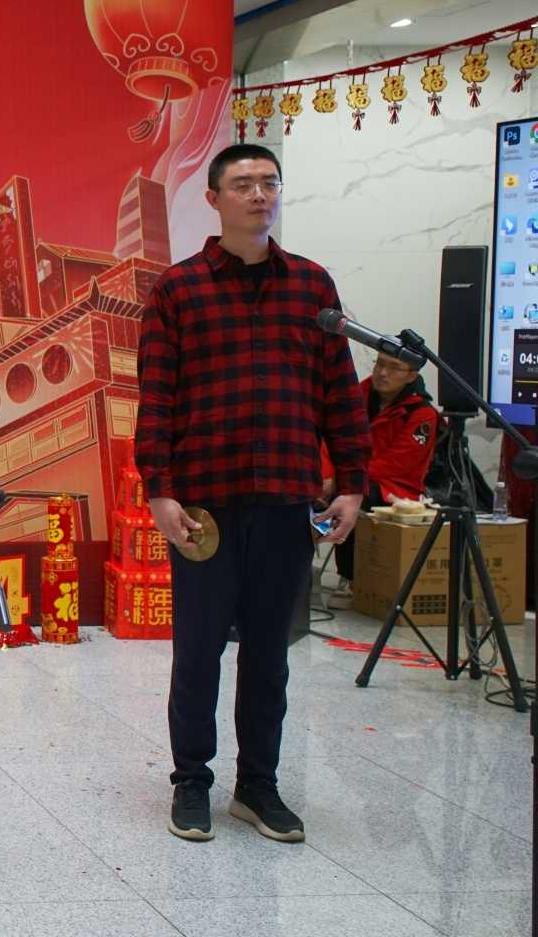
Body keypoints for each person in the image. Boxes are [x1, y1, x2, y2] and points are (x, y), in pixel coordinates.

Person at [137, 144, 369, 845]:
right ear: (213, 199)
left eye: (270, 183)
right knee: (198, 652)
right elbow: (157, 399)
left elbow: (340, 395)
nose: (259, 194)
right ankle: (191, 781)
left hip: (285, 500)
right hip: (204, 503)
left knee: (270, 654)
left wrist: (352, 483)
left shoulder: (313, 287)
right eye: (243, 184)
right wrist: (159, 491)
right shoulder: (178, 290)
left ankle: (258, 785)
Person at [322, 352, 438, 587]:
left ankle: (350, 578)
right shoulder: (356, 396)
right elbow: (328, 437)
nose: (383, 373)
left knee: (353, 496)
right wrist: (325, 475)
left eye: (394, 368)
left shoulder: (422, 414)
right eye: (380, 364)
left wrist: (343, 478)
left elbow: (396, 464)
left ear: (411, 376)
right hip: (351, 476)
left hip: (396, 490)